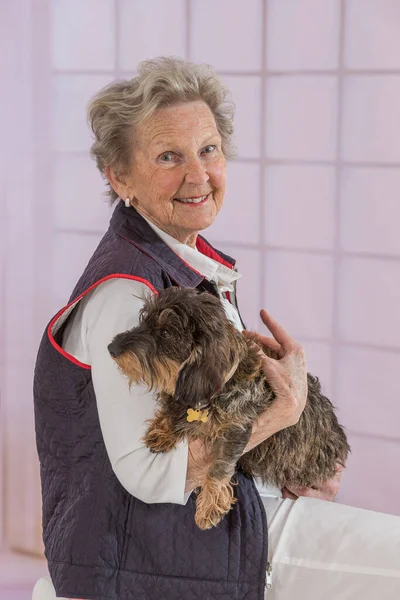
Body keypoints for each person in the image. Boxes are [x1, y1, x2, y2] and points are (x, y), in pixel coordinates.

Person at [32, 57, 400, 600]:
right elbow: (149, 472)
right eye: (168, 157)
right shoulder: (126, 291)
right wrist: (283, 413)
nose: (198, 175)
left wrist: (296, 464)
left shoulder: (181, 262)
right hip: (150, 555)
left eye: (208, 149)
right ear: (119, 177)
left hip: (216, 529)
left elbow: (203, 412)